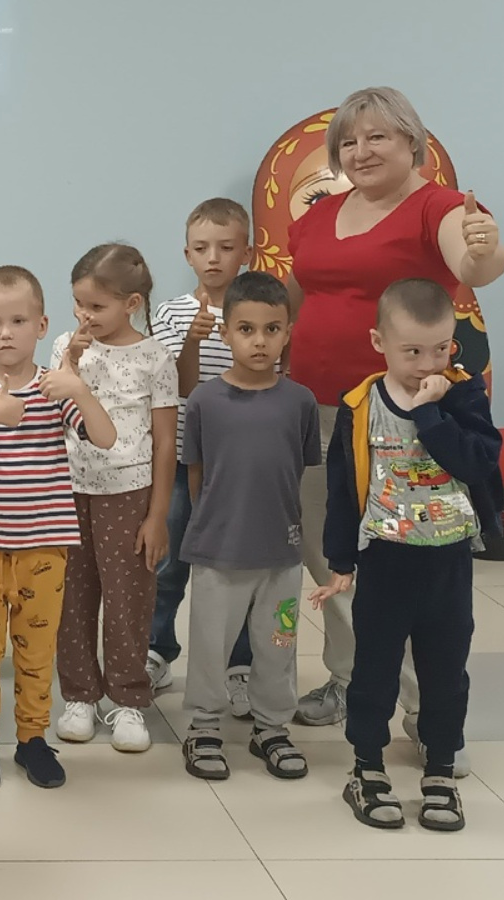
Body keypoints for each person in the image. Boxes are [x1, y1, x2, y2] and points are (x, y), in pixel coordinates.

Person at [288, 89, 504, 772]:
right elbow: (301, 293)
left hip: (403, 416)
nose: (361, 152)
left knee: (403, 564)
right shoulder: (320, 214)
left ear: (413, 141)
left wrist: (484, 251)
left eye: (378, 137)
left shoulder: (438, 207)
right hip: (316, 407)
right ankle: (351, 678)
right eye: (349, 142)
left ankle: (423, 710)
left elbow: (475, 264)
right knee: (332, 555)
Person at [314, 278, 503, 833]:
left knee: (445, 672)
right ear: (379, 342)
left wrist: (429, 414)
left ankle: (440, 769)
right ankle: (367, 768)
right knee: (373, 670)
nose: (427, 365)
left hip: (448, 562)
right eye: (412, 351)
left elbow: (477, 461)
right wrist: (340, 560)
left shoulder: (462, 395)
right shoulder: (359, 406)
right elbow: (343, 487)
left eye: (440, 349)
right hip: (385, 560)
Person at [0, 266, 115, 791]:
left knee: (36, 651)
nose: (6, 333)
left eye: (17, 321)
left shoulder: (54, 388)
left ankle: (33, 738)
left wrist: (78, 388)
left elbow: (105, 438)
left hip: (44, 545)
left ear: (41, 325)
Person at [178, 272, 318, 782]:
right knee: (210, 645)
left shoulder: (300, 401)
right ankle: (203, 726)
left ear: (287, 333)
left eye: (271, 329)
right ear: (225, 333)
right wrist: (215, 524)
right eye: (246, 329)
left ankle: (272, 727)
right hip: (219, 552)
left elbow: (299, 472)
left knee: (278, 644)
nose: (259, 341)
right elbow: (196, 474)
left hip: (281, 554)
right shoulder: (204, 400)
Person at [50, 244, 178, 753]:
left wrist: (158, 514)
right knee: (72, 598)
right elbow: (52, 408)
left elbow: (165, 441)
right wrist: (71, 360)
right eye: (78, 303)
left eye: (97, 306)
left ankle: (128, 699)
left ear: (131, 304)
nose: (84, 315)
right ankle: (79, 695)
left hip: (128, 494)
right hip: (68, 490)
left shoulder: (155, 358)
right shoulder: (66, 345)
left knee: (128, 599)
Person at [147, 199, 258, 709]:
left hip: (239, 464)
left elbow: (267, 378)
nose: (213, 258)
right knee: (167, 562)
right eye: (201, 248)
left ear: (247, 253)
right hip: (178, 460)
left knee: (238, 567)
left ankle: (239, 665)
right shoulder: (171, 313)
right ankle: (156, 651)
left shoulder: (259, 314)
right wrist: (192, 341)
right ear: (187, 254)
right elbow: (180, 386)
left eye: (226, 247)